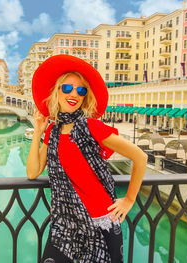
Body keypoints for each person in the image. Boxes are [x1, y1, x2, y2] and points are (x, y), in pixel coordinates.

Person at [27, 55, 148, 263]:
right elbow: (32, 172)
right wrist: (38, 132)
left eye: (81, 90)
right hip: (64, 225)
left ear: (84, 97)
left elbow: (140, 157)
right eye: (67, 88)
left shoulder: (92, 127)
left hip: (100, 223)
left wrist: (129, 200)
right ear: (57, 91)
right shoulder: (53, 132)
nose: (74, 93)